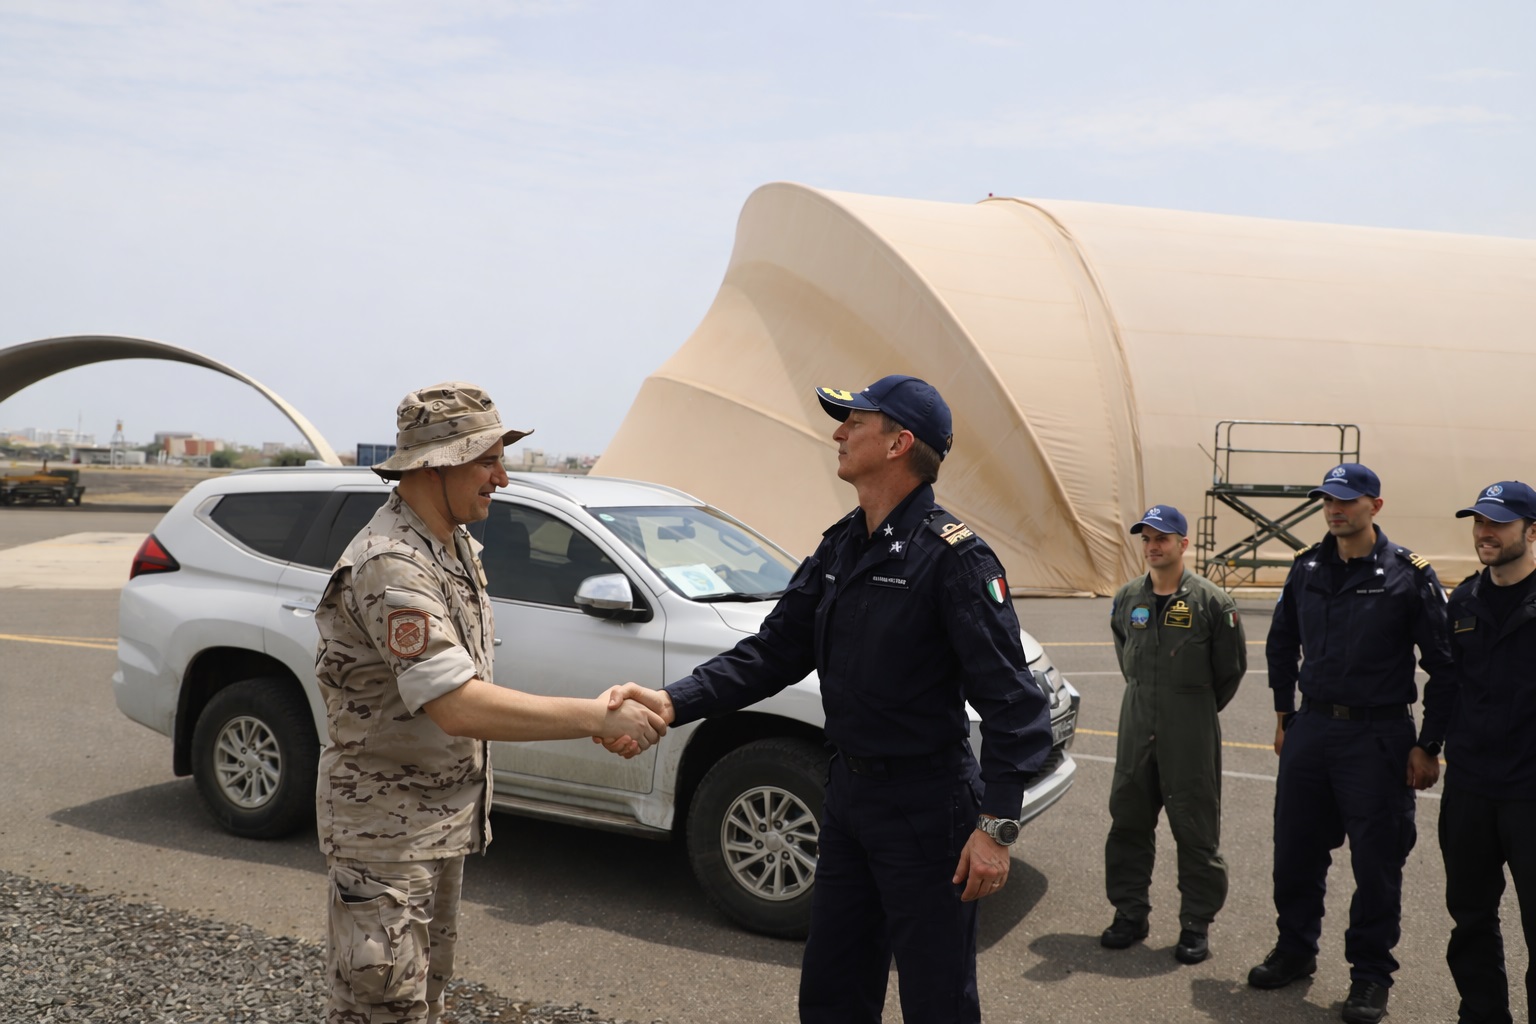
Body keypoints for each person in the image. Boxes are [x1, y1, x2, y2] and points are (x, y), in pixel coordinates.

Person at [605, 374, 1053, 1024]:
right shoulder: (842, 544)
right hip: (848, 798)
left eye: (855, 422)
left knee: (938, 1001)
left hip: (928, 810)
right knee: (832, 990)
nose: (839, 433)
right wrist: (671, 703)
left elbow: (1016, 705)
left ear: (899, 443)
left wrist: (997, 828)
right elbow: (774, 652)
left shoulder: (953, 559)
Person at [312, 381, 667, 1024]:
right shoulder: (392, 562)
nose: (502, 478)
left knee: (422, 1000)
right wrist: (595, 717)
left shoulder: (450, 544)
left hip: (434, 824)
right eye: (488, 461)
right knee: (382, 1008)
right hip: (386, 833)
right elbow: (456, 705)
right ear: (436, 465)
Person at [1250, 462, 1453, 1024]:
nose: (1334, 509)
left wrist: (1429, 744)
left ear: (1375, 506)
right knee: (1295, 850)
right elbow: (1281, 643)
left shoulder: (1408, 575)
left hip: (1378, 735)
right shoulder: (1307, 567)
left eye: (1346, 500)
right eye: (1327, 501)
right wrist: (1284, 715)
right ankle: (1295, 949)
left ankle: (1369, 976)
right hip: (1312, 728)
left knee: (1377, 862)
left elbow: (1443, 666)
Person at [1101, 504, 1245, 965]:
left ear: (1183, 544)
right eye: (1146, 539)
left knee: (1195, 828)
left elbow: (1230, 671)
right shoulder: (1128, 598)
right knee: (1128, 822)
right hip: (1137, 723)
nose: (1152, 546)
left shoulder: (1212, 603)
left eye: (1161, 538)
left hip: (1190, 731)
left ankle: (1195, 924)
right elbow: (1126, 655)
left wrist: (1190, 706)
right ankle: (1130, 913)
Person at [1425, 481, 1536, 1024]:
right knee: (1470, 918)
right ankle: (1482, 1015)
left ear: (1532, 531)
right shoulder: (1464, 600)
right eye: (1479, 522)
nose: (1485, 532)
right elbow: (1446, 683)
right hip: (1470, 788)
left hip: (1531, 792)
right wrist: (1428, 745)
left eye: (1498, 523)